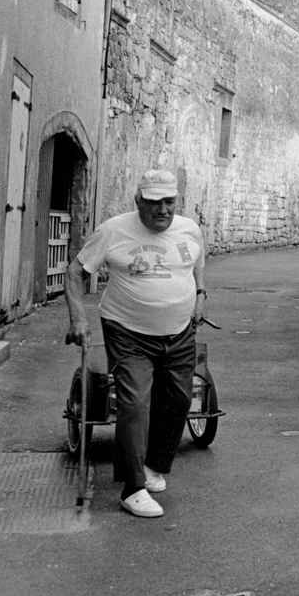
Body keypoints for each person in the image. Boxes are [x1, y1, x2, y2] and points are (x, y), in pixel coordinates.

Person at [65, 169, 206, 518]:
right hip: (128, 331)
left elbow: (195, 260)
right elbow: (75, 272)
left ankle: (154, 467)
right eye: (154, 203)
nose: (163, 210)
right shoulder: (114, 231)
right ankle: (133, 488)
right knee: (135, 403)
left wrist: (201, 293)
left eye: (169, 202)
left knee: (179, 398)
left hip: (179, 330)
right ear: (138, 201)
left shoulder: (189, 228)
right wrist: (78, 318)